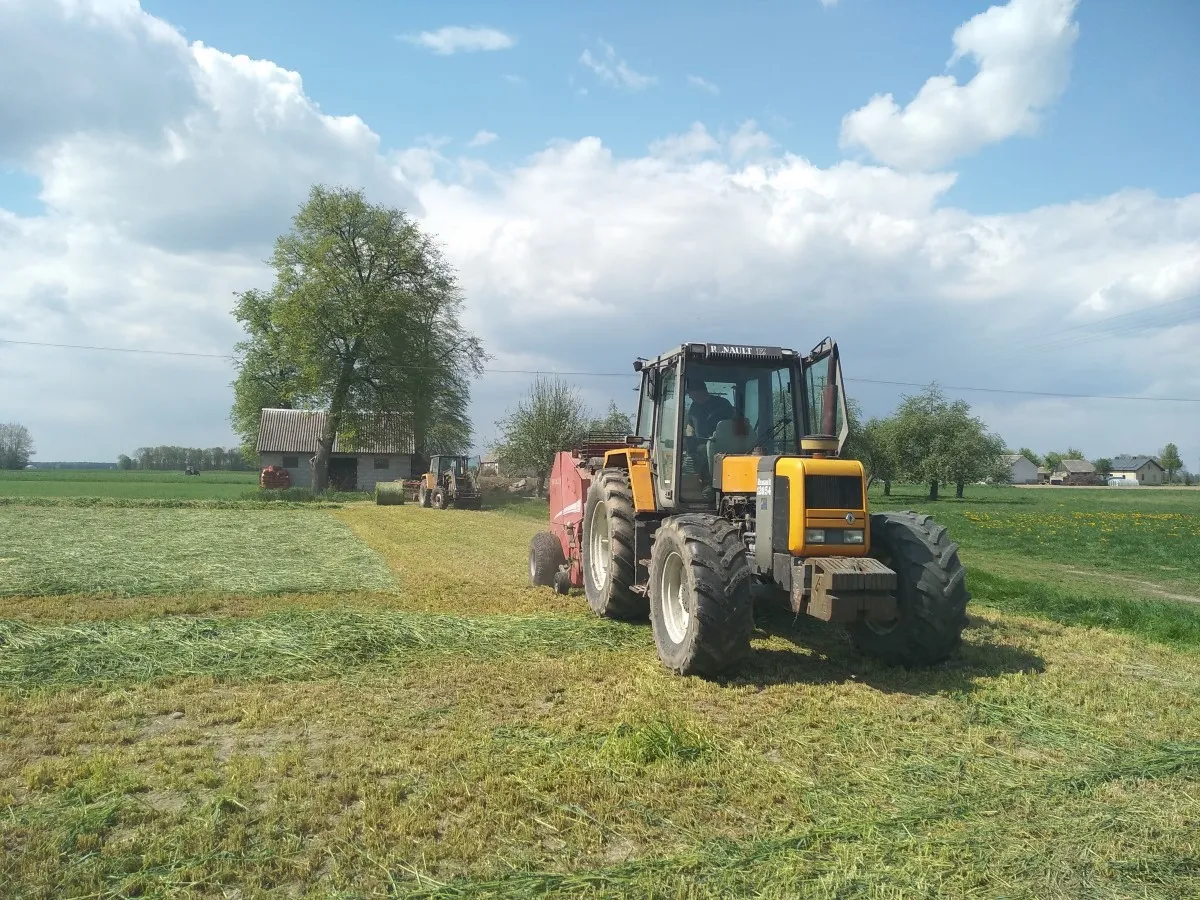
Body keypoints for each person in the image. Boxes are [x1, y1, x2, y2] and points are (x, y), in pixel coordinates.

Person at [684, 375, 735, 490]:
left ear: (700, 391)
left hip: (723, 446)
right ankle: (704, 486)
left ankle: (709, 486)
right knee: (689, 462)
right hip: (701, 447)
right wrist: (688, 440)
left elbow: (734, 423)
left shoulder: (722, 404)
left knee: (704, 454)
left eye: (691, 393)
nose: (690, 397)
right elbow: (690, 427)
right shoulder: (694, 407)